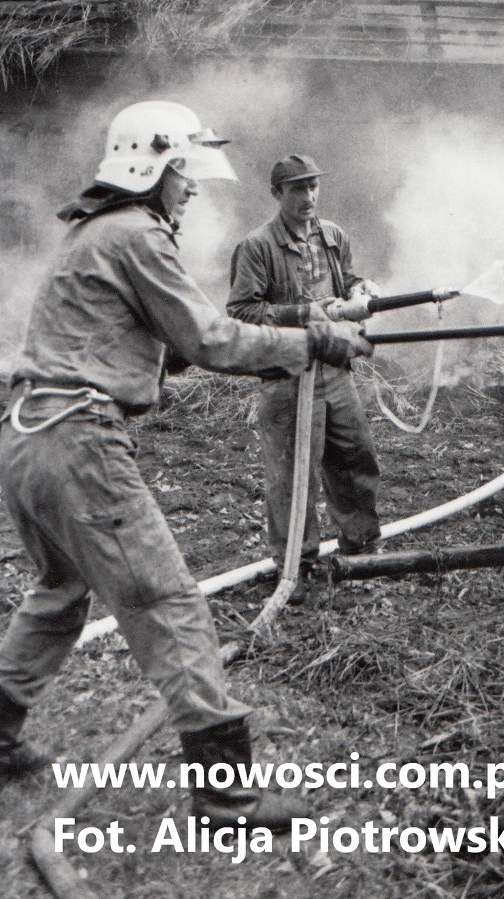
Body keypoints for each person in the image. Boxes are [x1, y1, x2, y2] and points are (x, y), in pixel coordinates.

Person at [0, 102, 370, 832]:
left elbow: (166, 339)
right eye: (185, 171)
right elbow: (208, 339)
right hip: (79, 441)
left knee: (60, 592)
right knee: (170, 604)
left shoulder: (97, 232)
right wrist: (314, 345)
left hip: (25, 437)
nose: (194, 186)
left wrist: (302, 323)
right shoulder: (137, 234)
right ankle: (227, 796)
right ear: (152, 167)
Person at [227, 154, 382, 602]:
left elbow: (349, 280)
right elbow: (241, 312)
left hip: (334, 369)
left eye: (313, 187)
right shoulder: (257, 247)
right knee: (294, 476)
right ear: (277, 194)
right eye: (297, 189)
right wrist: (305, 313)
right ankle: (296, 569)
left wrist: (360, 289)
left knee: (355, 458)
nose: (308, 197)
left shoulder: (332, 236)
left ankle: (361, 546)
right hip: (288, 375)